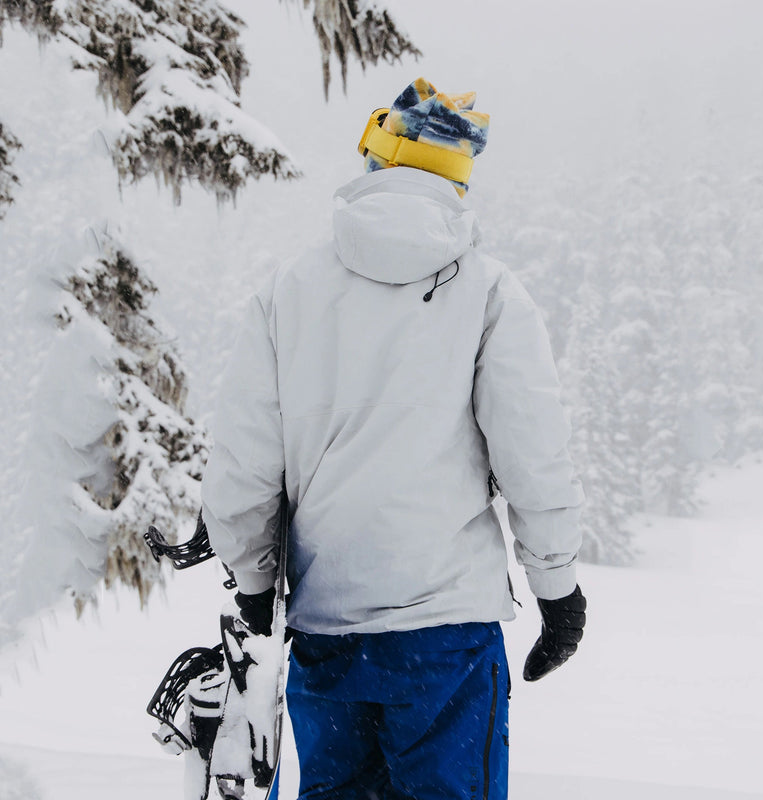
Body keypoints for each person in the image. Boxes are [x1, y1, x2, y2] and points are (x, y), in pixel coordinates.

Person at [201, 77, 587, 800]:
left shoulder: (288, 290)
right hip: (447, 641)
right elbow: (534, 455)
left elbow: (244, 462)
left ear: (376, 159)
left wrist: (255, 590)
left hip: (327, 636)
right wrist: (557, 589)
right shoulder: (489, 291)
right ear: (458, 175)